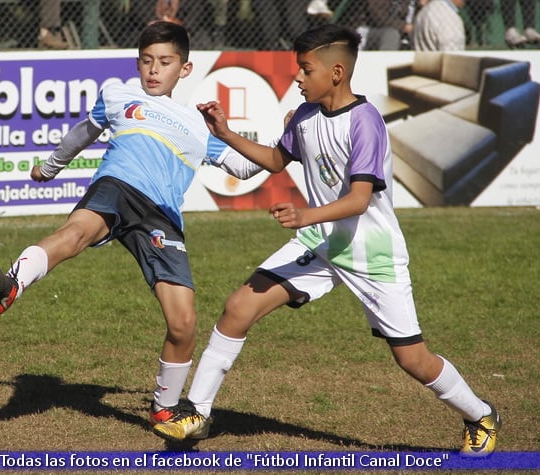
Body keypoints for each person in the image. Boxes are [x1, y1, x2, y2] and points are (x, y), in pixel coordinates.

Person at [152, 23, 502, 458]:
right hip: (320, 243)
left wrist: (304, 214)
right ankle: (197, 414)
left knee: (413, 359)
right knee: (239, 306)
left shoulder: (366, 121)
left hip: (370, 251)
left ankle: (480, 414)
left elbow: (359, 199)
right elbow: (277, 161)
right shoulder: (304, 115)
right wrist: (224, 133)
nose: (297, 78)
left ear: (336, 72)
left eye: (305, 69)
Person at [0, 21, 264, 427]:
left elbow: (245, 165)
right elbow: (82, 134)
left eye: (164, 62)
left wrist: (288, 139)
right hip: (116, 186)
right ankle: (11, 285)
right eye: (147, 61)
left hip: (160, 215)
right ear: (137, 62)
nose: (153, 70)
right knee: (74, 234)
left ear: (184, 69)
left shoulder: (201, 126)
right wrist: (49, 167)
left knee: (183, 322)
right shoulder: (117, 94)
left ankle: (163, 406)